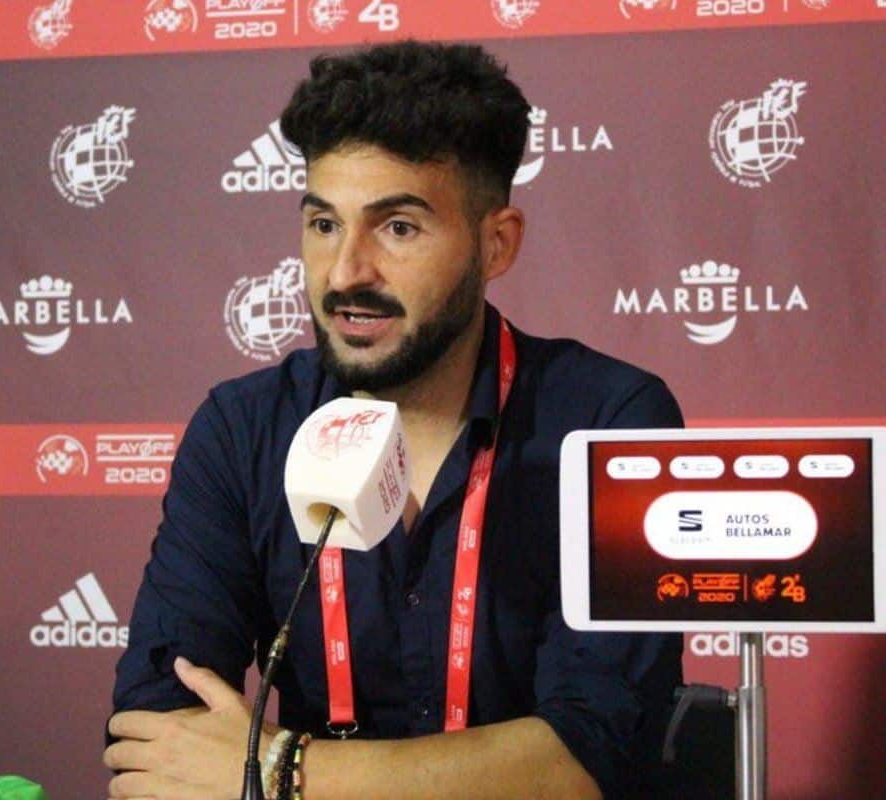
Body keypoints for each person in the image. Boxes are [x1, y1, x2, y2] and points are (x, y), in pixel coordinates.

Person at [106, 41, 684, 800]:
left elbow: (588, 758)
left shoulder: (610, 422)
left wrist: (285, 771)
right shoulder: (242, 429)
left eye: (398, 228)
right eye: (323, 225)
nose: (346, 272)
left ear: (496, 243)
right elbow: (157, 741)